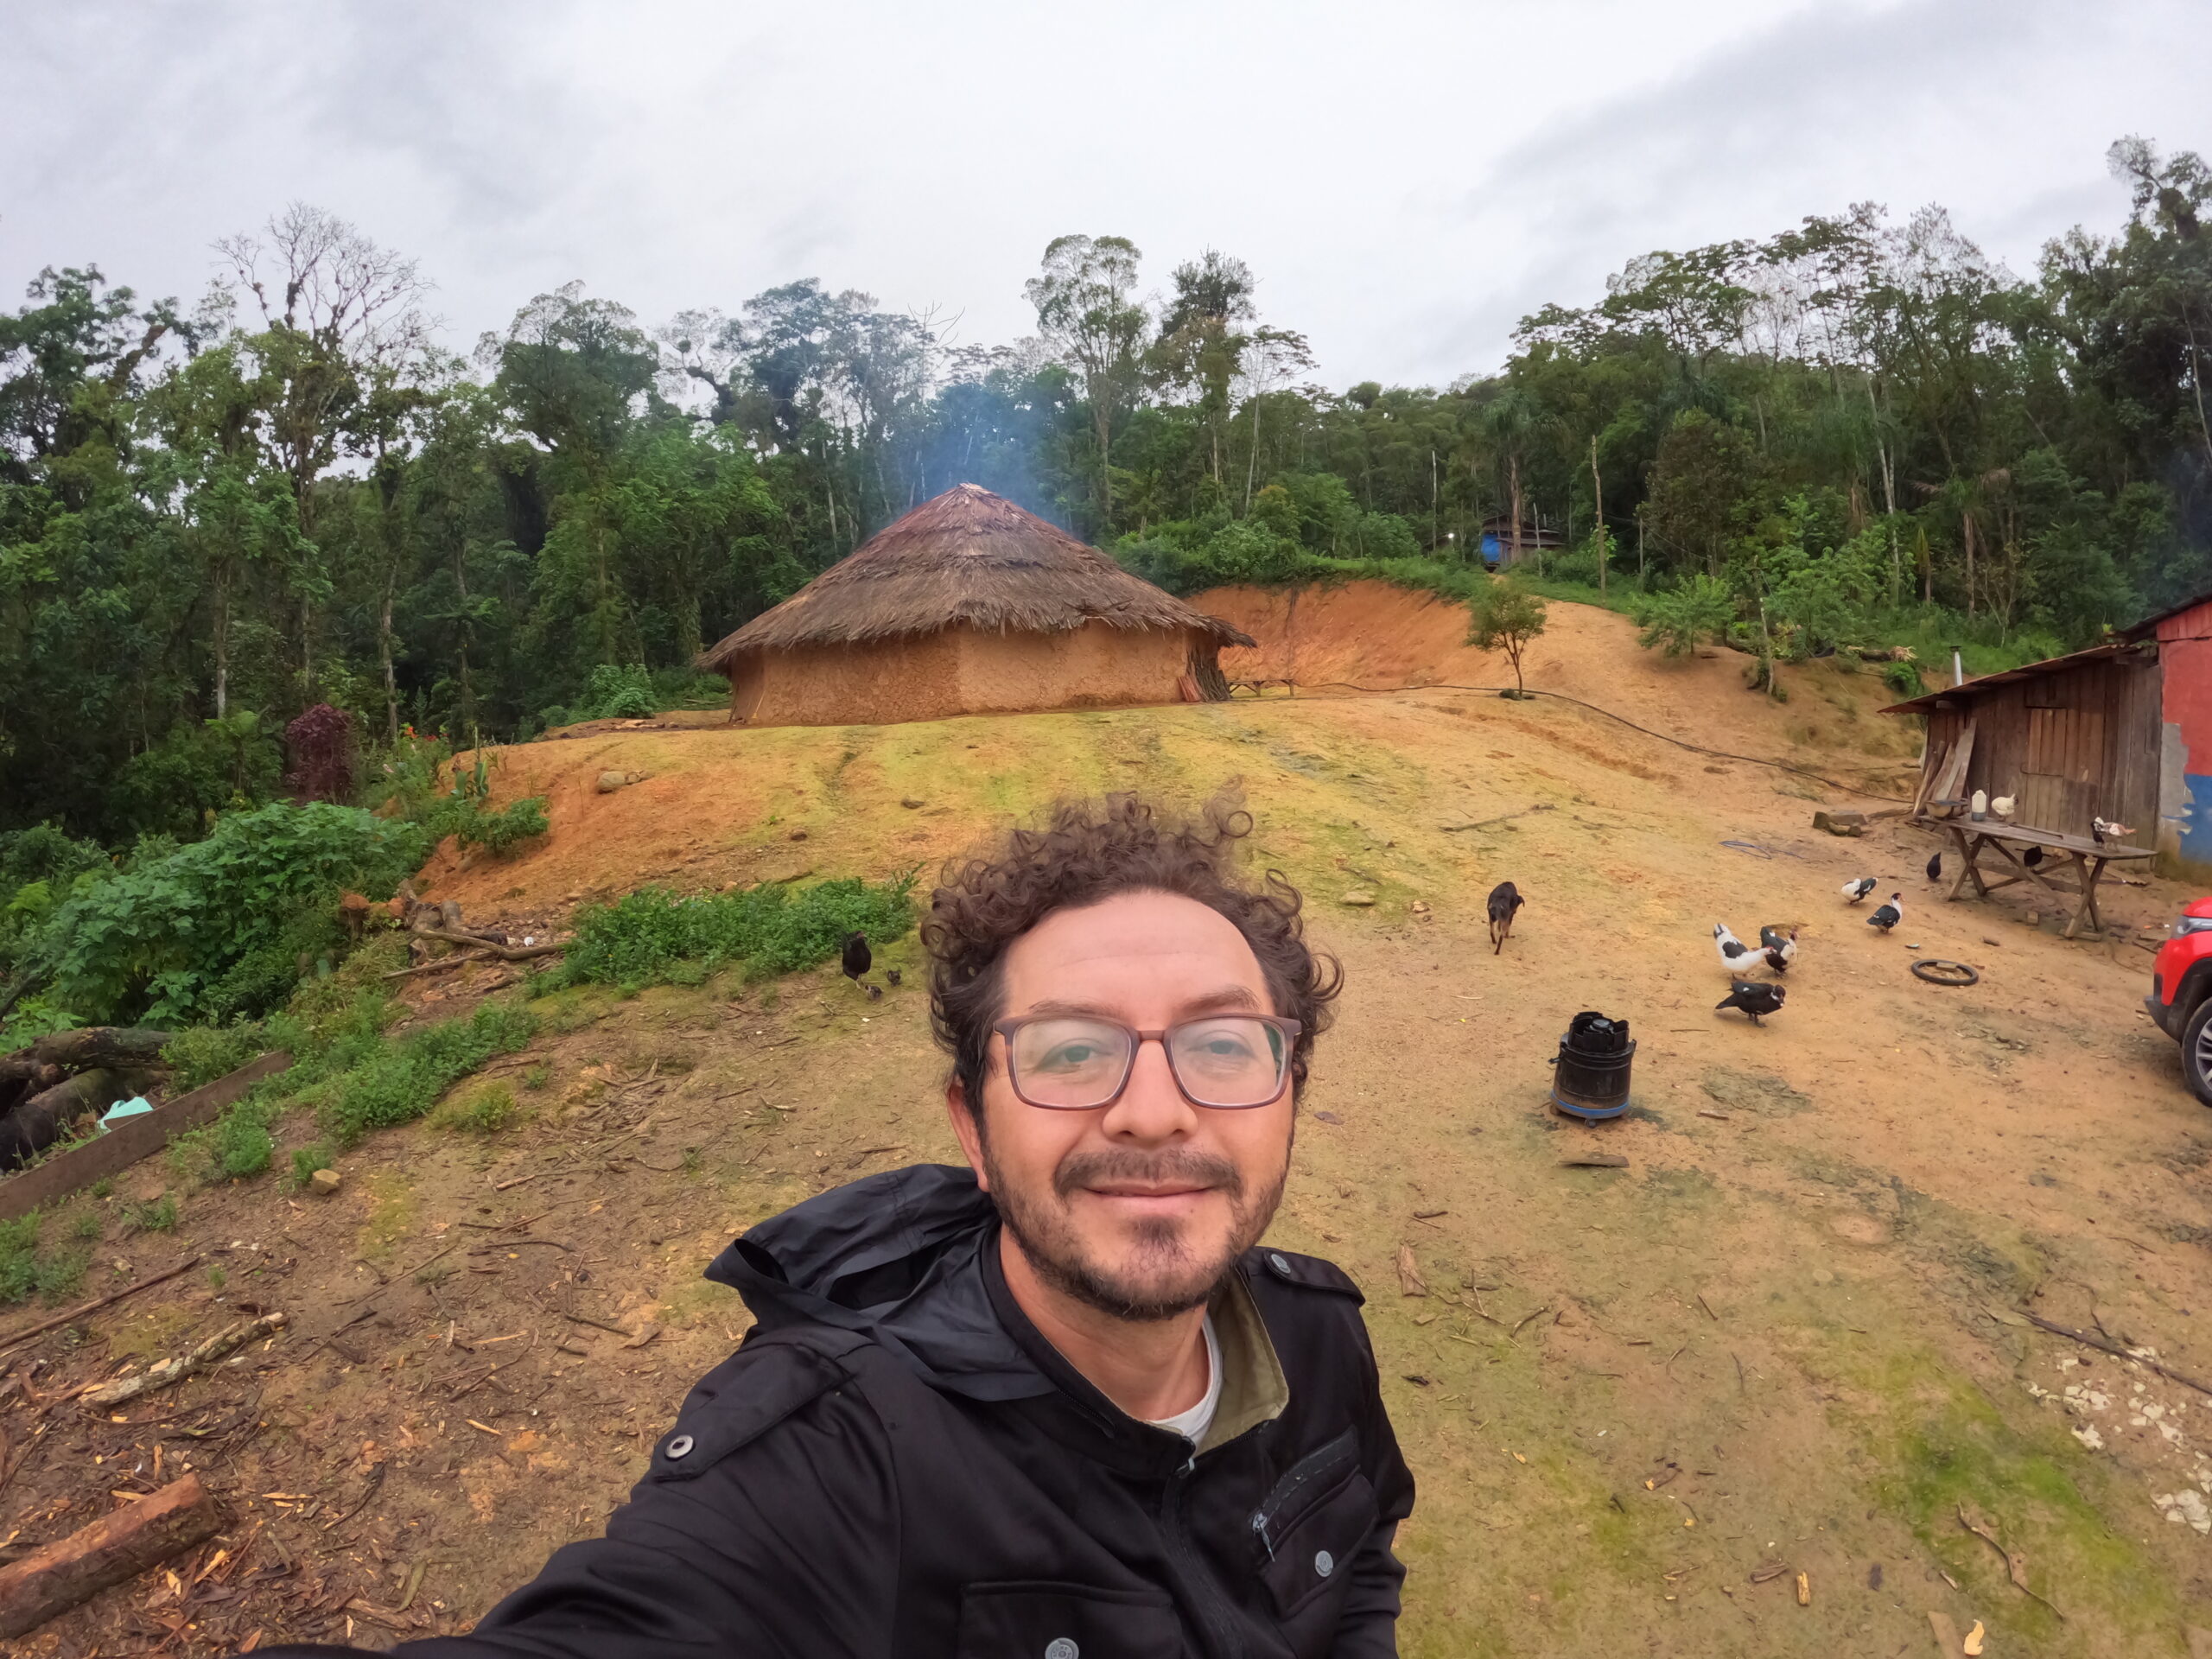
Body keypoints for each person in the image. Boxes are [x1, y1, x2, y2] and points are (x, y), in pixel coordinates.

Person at [263, 796, 1414, 1657]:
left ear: (1290, 1097)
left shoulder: (1318, 1337)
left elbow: (1362, 1563)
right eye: (1070, 1051)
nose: (1154, 1112)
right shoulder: (836, 1459)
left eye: (1222, 1046)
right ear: (973, 1129)